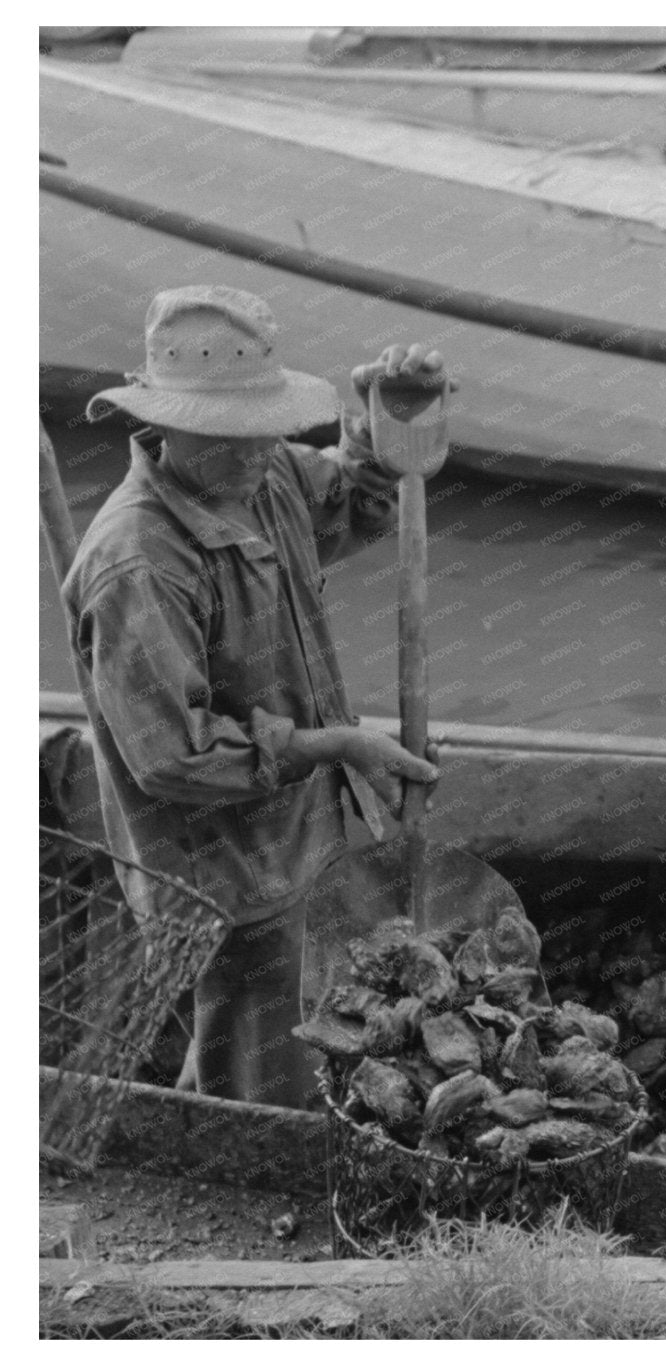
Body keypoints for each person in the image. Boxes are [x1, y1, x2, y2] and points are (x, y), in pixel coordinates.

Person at [63, 284, 447, 1109]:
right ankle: (247, 1166)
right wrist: (336, 745)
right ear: (167, 427)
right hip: (221, 873)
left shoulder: (263, 477)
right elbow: (175, 758)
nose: (257, 451)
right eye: (229, 436)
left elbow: (349, 499)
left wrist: (383, 428)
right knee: (265, 1072)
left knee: (255, 1036)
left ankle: (193, 1117)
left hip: (297, 829)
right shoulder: (139, 562)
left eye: (265, 428)